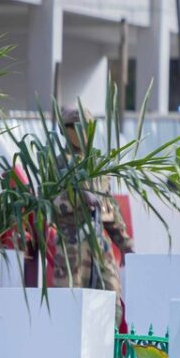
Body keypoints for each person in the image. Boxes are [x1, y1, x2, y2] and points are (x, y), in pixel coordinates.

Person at [40, 106, 133, 296]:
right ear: (63, 130)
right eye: (72, 127)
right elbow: (47, 203)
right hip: (71, 245)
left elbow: (110, 209)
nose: (79, 132)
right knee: (69, 299)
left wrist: (126, 245)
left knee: (111, 296)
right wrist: (79, 197)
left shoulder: (97, 166)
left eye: (84, 126)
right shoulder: (55, 165)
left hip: (99, 244)